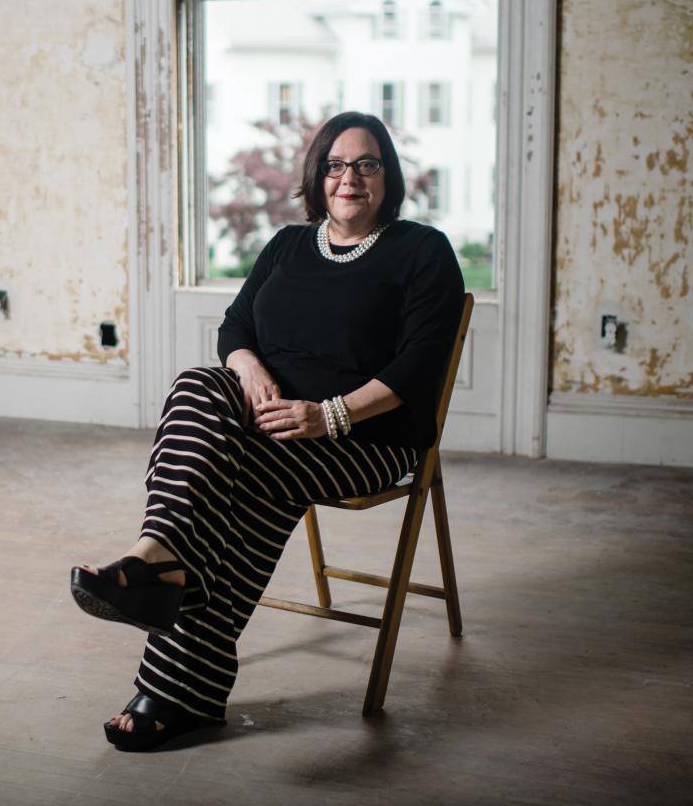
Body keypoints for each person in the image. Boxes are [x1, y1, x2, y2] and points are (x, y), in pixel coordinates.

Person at [70, 110, 465, 751]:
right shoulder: (286, 244)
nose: (350, 177)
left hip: (361, 438)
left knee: (240, 475)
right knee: (200, 382)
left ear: (388, 175)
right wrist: (250, 370)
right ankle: (156, 559)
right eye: (336, 164)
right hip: (267, 417)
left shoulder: (422, 251)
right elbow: (235, 329)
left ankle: (173, 656)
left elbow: (420, 364)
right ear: (317, 175)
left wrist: (328, 414)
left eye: (367, 164)